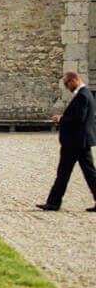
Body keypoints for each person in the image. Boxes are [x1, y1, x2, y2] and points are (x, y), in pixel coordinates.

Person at [38, 71, 96, 211]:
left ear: (74, 81)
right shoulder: (86, 94)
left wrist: (60, 119)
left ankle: (53, 203)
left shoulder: (82, 96)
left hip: (75, 142)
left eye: (66, 83)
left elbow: (78, 119)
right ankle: (53, 202)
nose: (66, 87)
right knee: (89, 173)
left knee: (64, 173)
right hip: (81, 141)